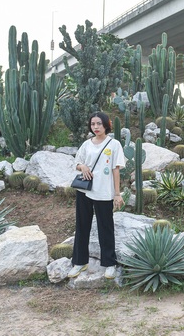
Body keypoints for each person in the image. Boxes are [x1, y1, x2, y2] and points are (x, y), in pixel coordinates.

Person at [68, 111, 125, 280]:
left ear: (106, 124)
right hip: (85, 191)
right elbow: (76, 162)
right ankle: (79, 262)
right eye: (93, 124)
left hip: (104, 192)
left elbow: (116, 170)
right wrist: (82, 167)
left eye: (99, 124)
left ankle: (109, 264)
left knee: (105, 228)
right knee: (82, 226)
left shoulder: (114, 145)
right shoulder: (86, 144)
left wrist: (117, 194)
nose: (96, 127)